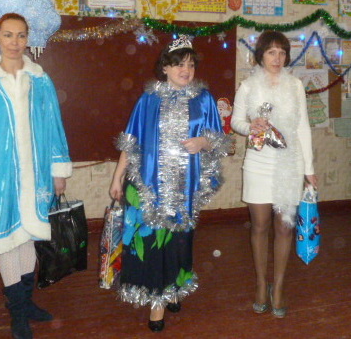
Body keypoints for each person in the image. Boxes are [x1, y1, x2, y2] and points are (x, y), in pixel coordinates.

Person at [0, 12, 72, 339]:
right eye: (8, 35)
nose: (14, 42)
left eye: (21, 35)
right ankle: (18, 312)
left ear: (28, 38)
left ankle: (26, 301)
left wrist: (57, 171)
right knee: (7, 241)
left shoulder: (40, 80)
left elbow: (54, 127)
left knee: (29, 237)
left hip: (36, 176)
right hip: (1, 178)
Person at [109, 36, 232, 332]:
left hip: (185, 188)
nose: (185, 70)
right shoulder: (148, 100)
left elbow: (219, 141)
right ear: (165, 67)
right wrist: (117, 176)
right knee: (154, 244)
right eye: (179, 64)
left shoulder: (204, 99)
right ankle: (157, 302)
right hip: (149, 187)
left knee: (179, 243)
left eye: (190, 65)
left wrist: (203, 142)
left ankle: (174, 287)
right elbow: (131, 142)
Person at [231, 30, 317, 318]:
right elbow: (236, 122)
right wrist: (251, 126)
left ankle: (277, 287)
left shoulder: (295, 85)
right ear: (261, 55)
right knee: (260, 226)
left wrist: (309, 169)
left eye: (282, 52)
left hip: (289, 163)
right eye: (271, 52)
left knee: (285, 227)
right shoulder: (248, 86)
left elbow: (303, 127)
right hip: (258, 164)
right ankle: (260, 283)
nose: (277, 58)